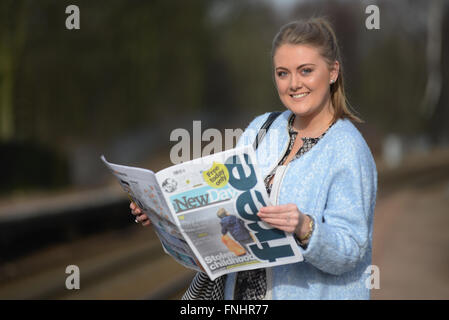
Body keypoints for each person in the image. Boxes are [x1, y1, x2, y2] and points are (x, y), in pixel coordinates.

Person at [131, 17, 377, 300]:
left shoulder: (348, 148)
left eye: (306, 71)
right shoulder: (261, 129)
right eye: (283, 73)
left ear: (333, 72)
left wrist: (304, 227)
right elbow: (222, 207)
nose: (294, 84)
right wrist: (162, 212)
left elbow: (352, 251)